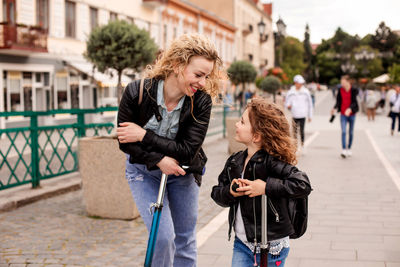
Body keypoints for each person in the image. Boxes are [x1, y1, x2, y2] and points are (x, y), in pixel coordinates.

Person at [116, 33, 223, 267]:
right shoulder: (137, 92)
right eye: (198, 75)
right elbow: (125, 142)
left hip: (183, 173)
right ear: (177, 65)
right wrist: (159, 160)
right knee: (163, 238)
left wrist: (144, 134)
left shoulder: (201, 102)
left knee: (185, 239)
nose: (203, 83)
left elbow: (187, 150)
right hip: (142, 172)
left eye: (206, 76)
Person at [211, 98, 311, 267]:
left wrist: (265, 187)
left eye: (242, 122)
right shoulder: (234, 162)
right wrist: (230, 191)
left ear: (256, 136)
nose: (236, 124)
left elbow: (302, 184)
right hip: (242, 243)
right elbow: (217, 193)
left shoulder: (272, 163)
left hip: (272, 245)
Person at [331, 75, 359, 158]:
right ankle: (343, 149)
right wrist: (334, 108)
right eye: (341, 82)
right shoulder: (340, 90)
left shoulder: (353, 90)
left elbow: (355, 103)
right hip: (343, 114)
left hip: (352, 115)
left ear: (348, 82)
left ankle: (349, 148)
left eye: (343, 82)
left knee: (350, 132)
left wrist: (350, 109)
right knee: (343, 131)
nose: (342, 84)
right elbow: (338, 102)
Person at [285, 74, 313, 152]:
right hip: (294, 114)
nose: (300, 84)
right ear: (295, 82)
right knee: (294, 132)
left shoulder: (306, 92)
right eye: (299, 83)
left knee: (302, 131)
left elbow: (310, 104)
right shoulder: (291, 92)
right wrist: (288, 106)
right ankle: (295, 147)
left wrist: (310, 115)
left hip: (302, 114)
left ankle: (303, 145)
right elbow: (287, 103)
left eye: (301, 83)